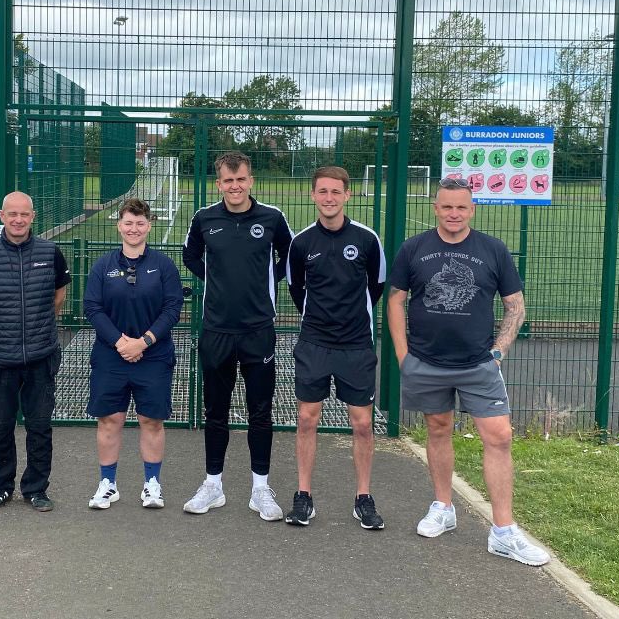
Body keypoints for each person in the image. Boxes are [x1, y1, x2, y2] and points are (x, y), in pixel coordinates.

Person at [386, 176, 549, 565]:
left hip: (478, 364)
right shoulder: (414, 249)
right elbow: (394, 301)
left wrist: (497, 352)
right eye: (446, 206)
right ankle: (443, 507)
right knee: (437, 429)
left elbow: (516, 306)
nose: (453, 214)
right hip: (426, 362)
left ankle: (503, 532)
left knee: (499, 437)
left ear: (472, 209)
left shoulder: (493, 250)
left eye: (461, 207)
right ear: (435, 207)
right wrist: (403, 356)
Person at [181, 151, 293, 520]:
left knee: (260, 411)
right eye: (228, 181)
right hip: (216, 329)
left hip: (258, 329)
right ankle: (213, 484)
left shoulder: (273, 218)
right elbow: (191, 257)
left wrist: (262, 286)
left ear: (251, 180)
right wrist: (219, 281)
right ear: (219, 184)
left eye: (241, 179)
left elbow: (288, 258)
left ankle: (260, 488)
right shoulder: (204, 218)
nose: (235, 186)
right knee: (216, 410)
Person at [285, 166, 386, 529]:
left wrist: (349, 318)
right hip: (314, 343)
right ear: (312, 195)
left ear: (348, 194)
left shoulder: (366, 239)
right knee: (306, 419)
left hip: (356, 345)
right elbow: (297, 289)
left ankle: (363, 497)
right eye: (322, 191)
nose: (329, 198)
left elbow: (377, 286)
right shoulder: (301, 243)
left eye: (335, 192)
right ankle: (303, 496)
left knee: (361, 424)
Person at [0, 191, 71, 514]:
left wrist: (38, 328)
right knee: (0, 427)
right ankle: (1, 487)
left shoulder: (50, 252)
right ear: (1, 216)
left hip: (41, 356)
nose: (18, 220)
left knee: (40, 426)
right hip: (0, 359)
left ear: (33, 216)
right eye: (12, 214)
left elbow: (59, 294)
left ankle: (36, 489)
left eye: (24, 214)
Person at [83, 199, 184, 510]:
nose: (134, 228)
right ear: (119, 226)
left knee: (150, 419)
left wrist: (145, 341)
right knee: (110, 418)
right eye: (128, 222)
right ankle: (108, 484)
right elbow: (92, 308)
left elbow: (172, 309)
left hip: (152, 355)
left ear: (149, 226)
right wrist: (120, 342)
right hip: (111, 355)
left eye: (140, 223)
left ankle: (152, 485)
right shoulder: (103, 266)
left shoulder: (164, 266)